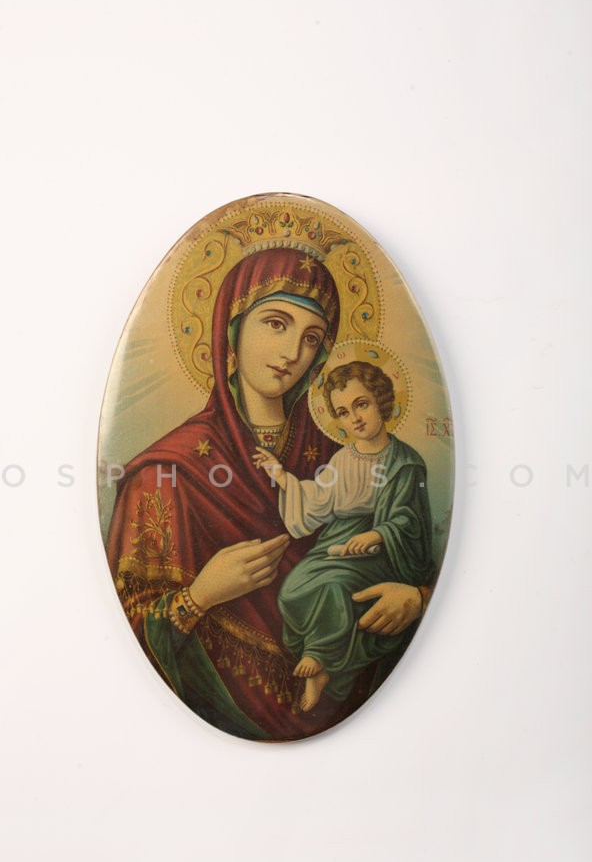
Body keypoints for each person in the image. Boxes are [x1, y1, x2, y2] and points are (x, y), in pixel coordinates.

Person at [105, 247, 428, 741]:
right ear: (231, 330)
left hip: (367, 716)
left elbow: (403, 545)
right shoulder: (166, 471)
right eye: (276, 324)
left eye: (311, 337)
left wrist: (418, 598)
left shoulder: (348, 456)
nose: (293, 352)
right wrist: (199, 596)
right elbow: (125, 629)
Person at [254, 360, 433, 712]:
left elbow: (410, 521)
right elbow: (319, 501)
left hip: (384, 552)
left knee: (337, 587)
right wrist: (283, 477)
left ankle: (320, 661)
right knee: (292, 589)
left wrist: (378, 535)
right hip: (337, 542)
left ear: (381, 400)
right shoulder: (341, 460)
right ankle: (320, 657)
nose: (355, 418)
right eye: (343, 412)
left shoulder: (406, 463)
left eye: (361, 404)